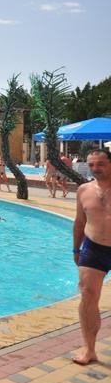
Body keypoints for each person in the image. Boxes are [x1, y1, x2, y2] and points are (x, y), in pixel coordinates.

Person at [72, 148, 111, 365]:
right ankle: (89, 349)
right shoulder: (84, 190)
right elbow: (80, 222)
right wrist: (76, 249)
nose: (95, 169)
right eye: (91, 165)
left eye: (101, 164)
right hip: (93, 248)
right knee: (87, 295)